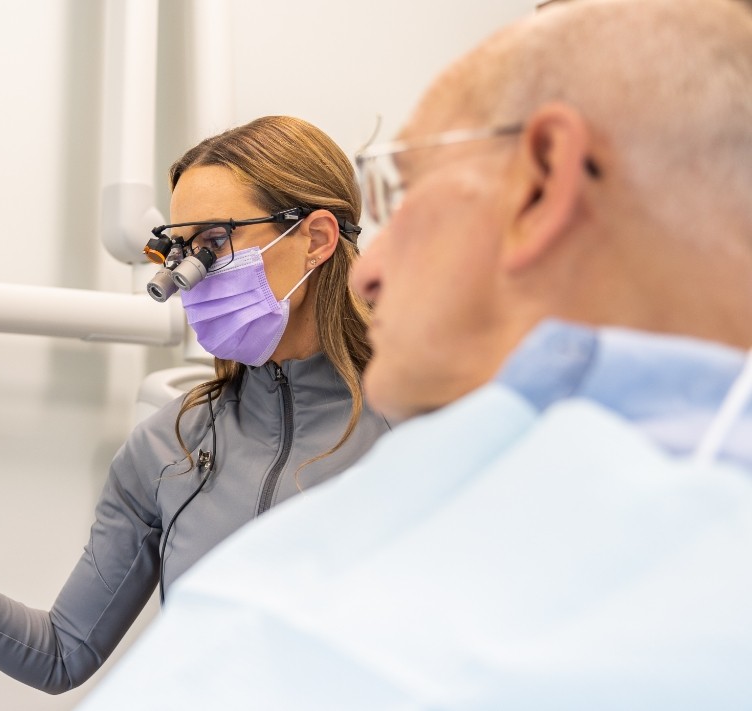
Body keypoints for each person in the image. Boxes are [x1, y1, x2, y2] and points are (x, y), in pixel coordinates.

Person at [78, 0, 752, 707]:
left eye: (406, 191)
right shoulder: (182, 443)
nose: (371, 269)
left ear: (545, 180)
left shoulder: (313, 623)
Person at [0, 115, 391, 692]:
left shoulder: (425, 422)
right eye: (180, 248)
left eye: (215, 243)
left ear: (316, 238)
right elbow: (63, 653)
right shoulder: (170, 444)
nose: (191, 274)